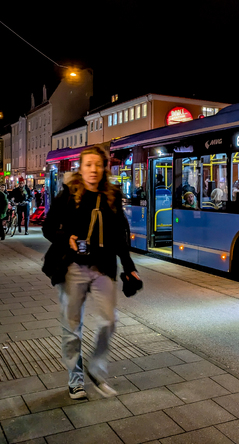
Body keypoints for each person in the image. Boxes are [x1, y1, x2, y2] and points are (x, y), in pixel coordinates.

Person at [42, 145, 141, 400]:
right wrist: (67, 238)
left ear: (104, 168)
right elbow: (49, 226)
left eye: (98, 165)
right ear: (81, 167)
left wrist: (129, 268)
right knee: (72, 326)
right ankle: (75, 380)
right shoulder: (68, 194)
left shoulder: (112, 196)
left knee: (109, 320)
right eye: (88, 165)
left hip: (103, 268)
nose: (93, 170)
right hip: (73, 267)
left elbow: (120, 236)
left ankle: (96, 370)